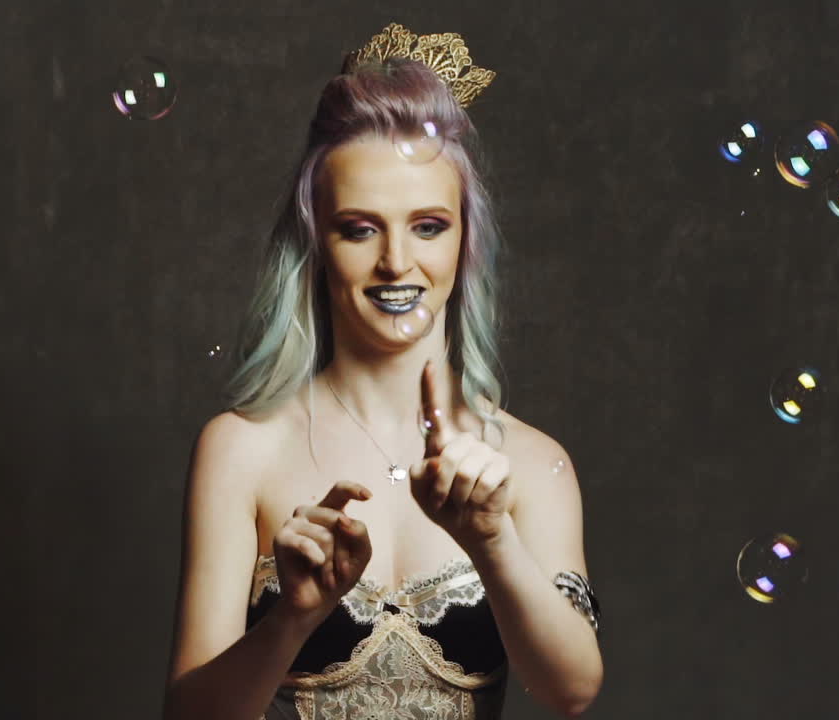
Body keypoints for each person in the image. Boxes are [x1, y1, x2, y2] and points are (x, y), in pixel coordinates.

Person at [163, 23, 603, 720]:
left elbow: (571, 691)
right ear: (316, 243)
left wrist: (490, 541)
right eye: (360, 228)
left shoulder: (529, 460)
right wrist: (292, 621)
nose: (397, 262)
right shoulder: (241, 449)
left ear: (467, 240)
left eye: (428, 225)